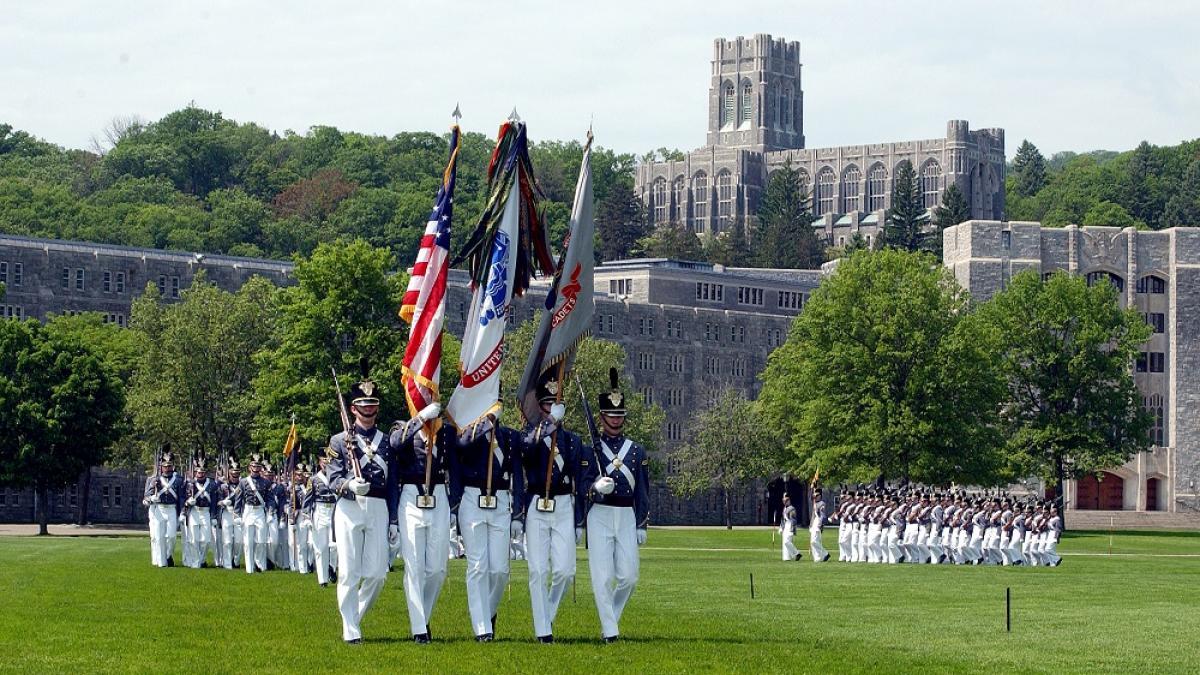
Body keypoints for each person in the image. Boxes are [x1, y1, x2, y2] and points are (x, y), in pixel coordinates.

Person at [326, 368, 400, 645]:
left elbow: (393, 482)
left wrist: (393, 519)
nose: (368, 410)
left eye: (372, 405)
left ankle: (353, 615)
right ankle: (351, 629)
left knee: (378, 573)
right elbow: (332, 478)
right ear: (353, 408)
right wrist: (348, 484)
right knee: (348, 571)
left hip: (379, 506)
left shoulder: (387, 443)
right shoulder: (339, 440)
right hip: (349, 506)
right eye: (363, 405)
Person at [582, 368, 649, 643]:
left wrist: (642, 523)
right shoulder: (589, 449)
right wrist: (595, 487)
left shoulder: (636, 450)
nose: (615, 420)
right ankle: (610, 631)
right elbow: (582, 486)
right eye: (611, 415)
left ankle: (612, 619)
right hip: (599, 513)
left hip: (625, 515)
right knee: (602, 577)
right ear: (601, 417)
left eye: (619, 415)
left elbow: (643, 489)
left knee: (630, 577)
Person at [449, 412, 525, 642]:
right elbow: (460, 448)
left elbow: (518, 476)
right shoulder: (467, 433)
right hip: (472, 499)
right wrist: (483, 425)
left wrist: (518, 513)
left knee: (500, 570)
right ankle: (482, 628)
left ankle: (488, 612)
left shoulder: (510, 436)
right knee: (478, 566)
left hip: (501, 500)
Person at [519, 376, 585, 643]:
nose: (550, 408)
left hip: (563, 506)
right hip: (537, 503)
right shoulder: (529, 434)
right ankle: (543, 630)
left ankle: (546, 615)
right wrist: (549, 424)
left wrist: (579, 520)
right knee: (537, 570)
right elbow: (527, 449)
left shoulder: (571, 441)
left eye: (555, 404)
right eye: (546, 404)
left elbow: (579, 483)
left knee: (565, 571)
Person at [390, 400, 451, 644]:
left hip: (437, 495)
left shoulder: (443, 431)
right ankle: (419, 629)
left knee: (437, 569)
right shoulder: (404, 428)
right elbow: (395, 443)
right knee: (414, 566)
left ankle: (423, 615)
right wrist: (420, 419)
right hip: (411, 496)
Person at [229, 455, 272, 574]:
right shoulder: (243, 482)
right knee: (248, 541)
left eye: (258, 466)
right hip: (248, 511)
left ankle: (259, 564)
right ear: (249, 467)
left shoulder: (266, 482)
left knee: (261, 541)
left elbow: (270, 499)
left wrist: (270, 512)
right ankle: (249, 568)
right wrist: (237, 514)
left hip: (260, 511)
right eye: (254, 466)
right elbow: (238, 499)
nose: (256, 468)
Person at [143, 451, 185, 568]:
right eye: (165, 466)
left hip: (171, 509)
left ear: (172, 466)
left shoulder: (178, 480)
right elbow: (147, 495)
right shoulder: (155, 479)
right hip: (159, 509)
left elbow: (181, 498)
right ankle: (162, 563)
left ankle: (167, 555)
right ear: (161, 467)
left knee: (171, 537)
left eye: (169, 466)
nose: (167, 468)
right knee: (159, 537)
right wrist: (152, 498)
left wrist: (182, 512)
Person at [308, 451, 339, 586]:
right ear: (320, 463)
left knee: (334, 546)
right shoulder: (314, 479)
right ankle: (322, 579)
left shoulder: (337, 477)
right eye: (324, 462)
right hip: (320, 511)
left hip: (334, 510)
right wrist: (306, 516)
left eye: (329, 462)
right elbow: (308, 499)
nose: (326, 464)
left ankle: (332, 566)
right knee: (320, 548)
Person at [184, 458, 219, 568]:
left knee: (206, 540)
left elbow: (214, 502)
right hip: (194, 512)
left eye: (203, 472)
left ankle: (202, 560)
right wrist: (188, 502)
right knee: (193, 539)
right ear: (195, 472)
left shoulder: (212, 484)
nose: (201, 474)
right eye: (199, 472)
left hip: (206, 512)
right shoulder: (190, 484)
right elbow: (183, 497)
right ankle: (196, 562)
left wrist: (213, 516)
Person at [217, 460, 243, 570]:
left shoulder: (243, 486)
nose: (235, 476)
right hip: (226, 514)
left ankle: (236, 561)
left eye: (237, 474)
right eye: (233, 474)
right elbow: (217, 502)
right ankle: (227, 564)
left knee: (239, 541)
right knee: (227, 541)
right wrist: (223, 502)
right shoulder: (223, 486)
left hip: (238, 514)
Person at [809, 489, 829, 562]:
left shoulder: (822, 503)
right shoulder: (815, 503)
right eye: (815, 495)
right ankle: (817, 557)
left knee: (814, 541)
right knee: (812, 541)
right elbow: (813, 515)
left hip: (818, 522)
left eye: (817, 495)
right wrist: (811, 525)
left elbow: (822, 515)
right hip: (814, 523)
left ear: (820, 496)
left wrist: (820, 524)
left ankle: (825, 553)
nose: (815, 497)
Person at [780, 494, 799, 561]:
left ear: (789, 501)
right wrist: (781, 527)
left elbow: (793, 519)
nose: (784, 502)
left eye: (785, 501)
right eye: (783, 501)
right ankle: (786, 557)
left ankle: (797, 553)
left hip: (790, 525)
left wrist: (793, 529)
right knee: (784, 542)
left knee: (787, 542)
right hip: (785, 526)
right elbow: (783, 519)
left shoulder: (792, 508)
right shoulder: (784, 508)